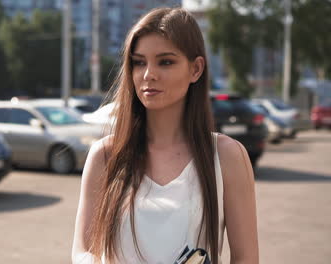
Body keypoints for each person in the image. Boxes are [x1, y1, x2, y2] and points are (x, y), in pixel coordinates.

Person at [72, 7, 258, 264]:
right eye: (139, 62)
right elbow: (81, 250)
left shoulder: (226, 156)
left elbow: (246, 258)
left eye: (165, 61)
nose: (149, 74)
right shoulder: (105, 155)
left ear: (196, 69)